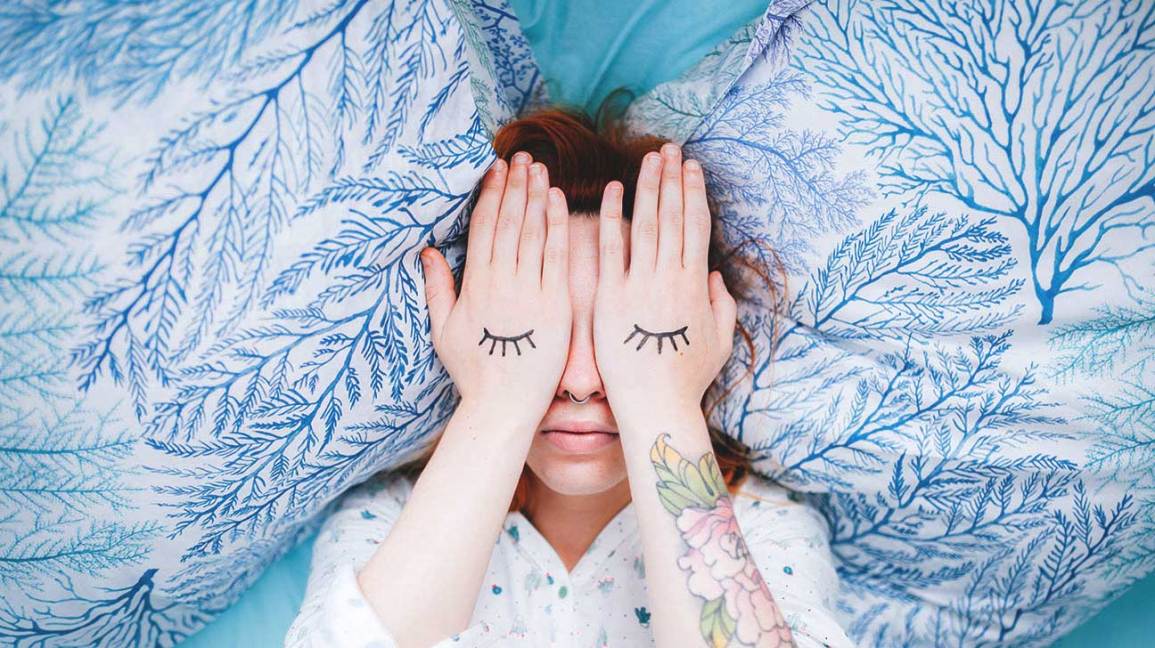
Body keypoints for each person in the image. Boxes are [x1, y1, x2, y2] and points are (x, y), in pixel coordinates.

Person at [285, 108, 852, 647]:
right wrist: (496, 401)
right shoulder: (386, 520)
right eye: (542, 328)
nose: (580, 381)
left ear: (707, 335)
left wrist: (661, 400)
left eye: (619, 332)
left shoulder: (766, 527)